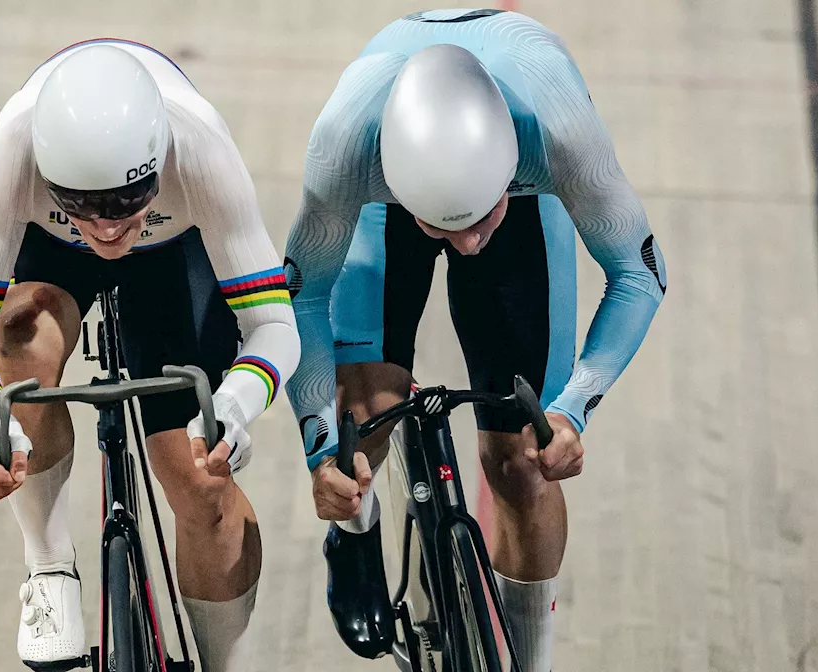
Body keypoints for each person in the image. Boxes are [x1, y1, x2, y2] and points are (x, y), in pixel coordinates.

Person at [283, 10, 666, 671]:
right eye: (444, 226)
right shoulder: (347, 143)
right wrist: (323, 449)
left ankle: (531, 657)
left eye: (476, 219)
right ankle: (356, 528)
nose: (466, 244)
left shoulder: (556, 129)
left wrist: (574, 408)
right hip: (391, 207)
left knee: (525, 464)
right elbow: (303, 297)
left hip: (521, 197)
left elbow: (639, 275)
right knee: (364, 414)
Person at [0, 39, 299, 671]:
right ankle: (48, 568)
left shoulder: (200, 144)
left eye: (128, 200)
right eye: (81, 203)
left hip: (172, 251)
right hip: (53, 253)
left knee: (200, 485)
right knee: (18, 338)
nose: (106, 227)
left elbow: (274, 325)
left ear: (160, 161)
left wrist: (234, 406)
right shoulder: (15, 144)